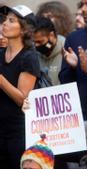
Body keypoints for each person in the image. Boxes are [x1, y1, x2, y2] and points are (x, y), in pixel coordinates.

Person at [0, 5, 40, 169]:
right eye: (4, 20)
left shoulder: (28, 57)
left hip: (18, 132)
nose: (4, 24)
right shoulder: (0, 53)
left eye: (11, 21)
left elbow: (22, 98)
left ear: (24, 30)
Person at [34, 16, 65, 86]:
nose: (36, 45)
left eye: (40, 42)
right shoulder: (34, 54)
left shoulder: (67, 50)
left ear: (51, 35)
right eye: (34, 42)